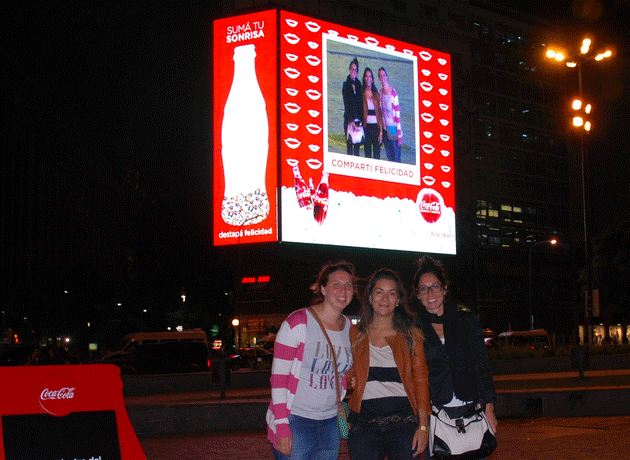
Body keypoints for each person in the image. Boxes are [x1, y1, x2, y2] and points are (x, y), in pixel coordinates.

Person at [266, 261, 356, 460]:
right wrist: (282, 425)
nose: (343, 290)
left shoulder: (350, 327)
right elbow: (278, 379)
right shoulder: (298, 322)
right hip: (296, 420)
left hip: (330, 422)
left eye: (348, 285)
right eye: (336, 284)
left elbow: (342, 372)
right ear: (323, 288)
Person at [413, 256, 498, 459]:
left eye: (435, 286)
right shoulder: (415, 328)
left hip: (471, 411)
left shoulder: (465, 321)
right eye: (423, 289)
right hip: (437, 414)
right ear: (417, 294)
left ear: (444, 289)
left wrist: (490, 407)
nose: (430, 293)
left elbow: (481, 365)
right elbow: (415, 375)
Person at [346, 268, 430, 460]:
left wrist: (423, 426)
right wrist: (348, 383)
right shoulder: (355, 334)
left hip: (404, 423)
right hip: (364, 423)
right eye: (379, 292)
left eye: (392, 293)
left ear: (398, 300)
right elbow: (345, 371)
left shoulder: (412, 335)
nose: (385, 298)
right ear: (369, 297)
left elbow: (421, 380)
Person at [378, 67, 403, 162]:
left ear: (387, 77)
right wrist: (380, 132)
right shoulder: (379, 93)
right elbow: (380, 115)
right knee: (389, 157)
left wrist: (399, 135)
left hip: (392, 128)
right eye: (380, 75)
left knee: (396, 157)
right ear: (379, 78)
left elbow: (397, 117)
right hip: (384, 129)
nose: (382, 77)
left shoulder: (393, 94)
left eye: (384, 75)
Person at [343, 58, 363, 156]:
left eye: (355, 69)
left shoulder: (359, 85)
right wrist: (352, 122)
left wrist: (359, 123)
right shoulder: (345, 85)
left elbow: (361, 105)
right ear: (349, 70)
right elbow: (346, 104)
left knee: (357, 150)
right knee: (350, 149)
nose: (353, 71)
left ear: (357, 72)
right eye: (351, 68)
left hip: (358, 121)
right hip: (349, 121)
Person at [362, 67, 383, 159]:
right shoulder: (361, 93)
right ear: (364, 78)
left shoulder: (376, 94)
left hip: (376, 128)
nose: (368, 78)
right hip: (366, 128)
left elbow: (380, 114)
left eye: (370, 76)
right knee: (367, 156)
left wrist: (381, 132)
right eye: (366, 76)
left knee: (377, 156)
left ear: (373, 79)